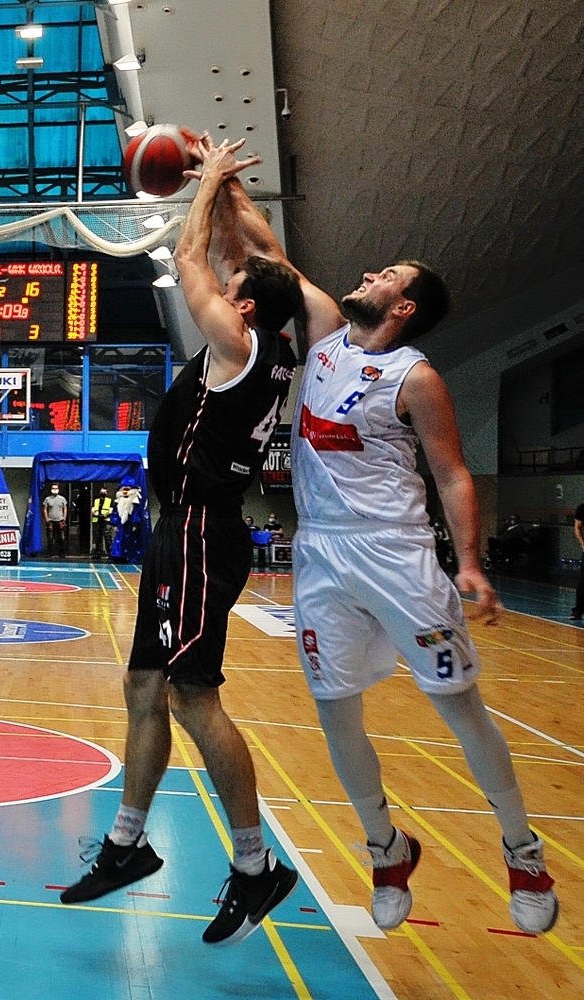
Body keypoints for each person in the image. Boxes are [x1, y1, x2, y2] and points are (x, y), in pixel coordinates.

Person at [209, 136, 559, 934]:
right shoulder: (324, 334)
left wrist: (468, 562)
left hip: (395, 552)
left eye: (386, 276)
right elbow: (267, 250)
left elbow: (451, 474)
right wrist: (221, 183)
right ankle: (385, 849)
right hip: (320, 552)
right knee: (334, 711)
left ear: (403, 308)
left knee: (457, 705)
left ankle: (521, 850)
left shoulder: (416, 376)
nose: (368, 275)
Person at [60, 136, 303, 948]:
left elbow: (189, 255)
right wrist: (225, 187)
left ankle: (254, 864)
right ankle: (126, 844)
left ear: (244, 310)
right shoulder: (272, 343)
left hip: (199, 530)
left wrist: (201, 188)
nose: (220, 288)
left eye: (232, 291)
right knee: (142, 686)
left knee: (193, 697)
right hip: (185, 530)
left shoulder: (237, 346)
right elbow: (250, 258)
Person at [43, 484, 69, 556]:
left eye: (56, 488)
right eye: (53, 488)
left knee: (62, 538)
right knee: (50, 538)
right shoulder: (47, 499)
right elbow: (45, 509)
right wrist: (47, 520)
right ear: (51, 489)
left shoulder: (62, 499)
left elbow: (65, 508)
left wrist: (64, 519)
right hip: (51, 521)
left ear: (58, 489)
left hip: (60, 521)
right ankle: (50, 553)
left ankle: (62, 553)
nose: (55, 490)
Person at [90, 487, 113, 556]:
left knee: (108, 537)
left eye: (104, 492)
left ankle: (109, 553)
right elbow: (93, 509)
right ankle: (97, 553)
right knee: (97, 537)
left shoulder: (110, 500)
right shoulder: (96, 500)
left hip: (106, 521)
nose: (103, 493)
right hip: (97, 521)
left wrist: (104, 515)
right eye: (102, 492)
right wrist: (97, 514)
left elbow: (111, 510)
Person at [572, 502, 584, 621]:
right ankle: (578, 610)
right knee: (583, 581)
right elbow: (577, 527)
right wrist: (583, 544)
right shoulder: (582, 508)